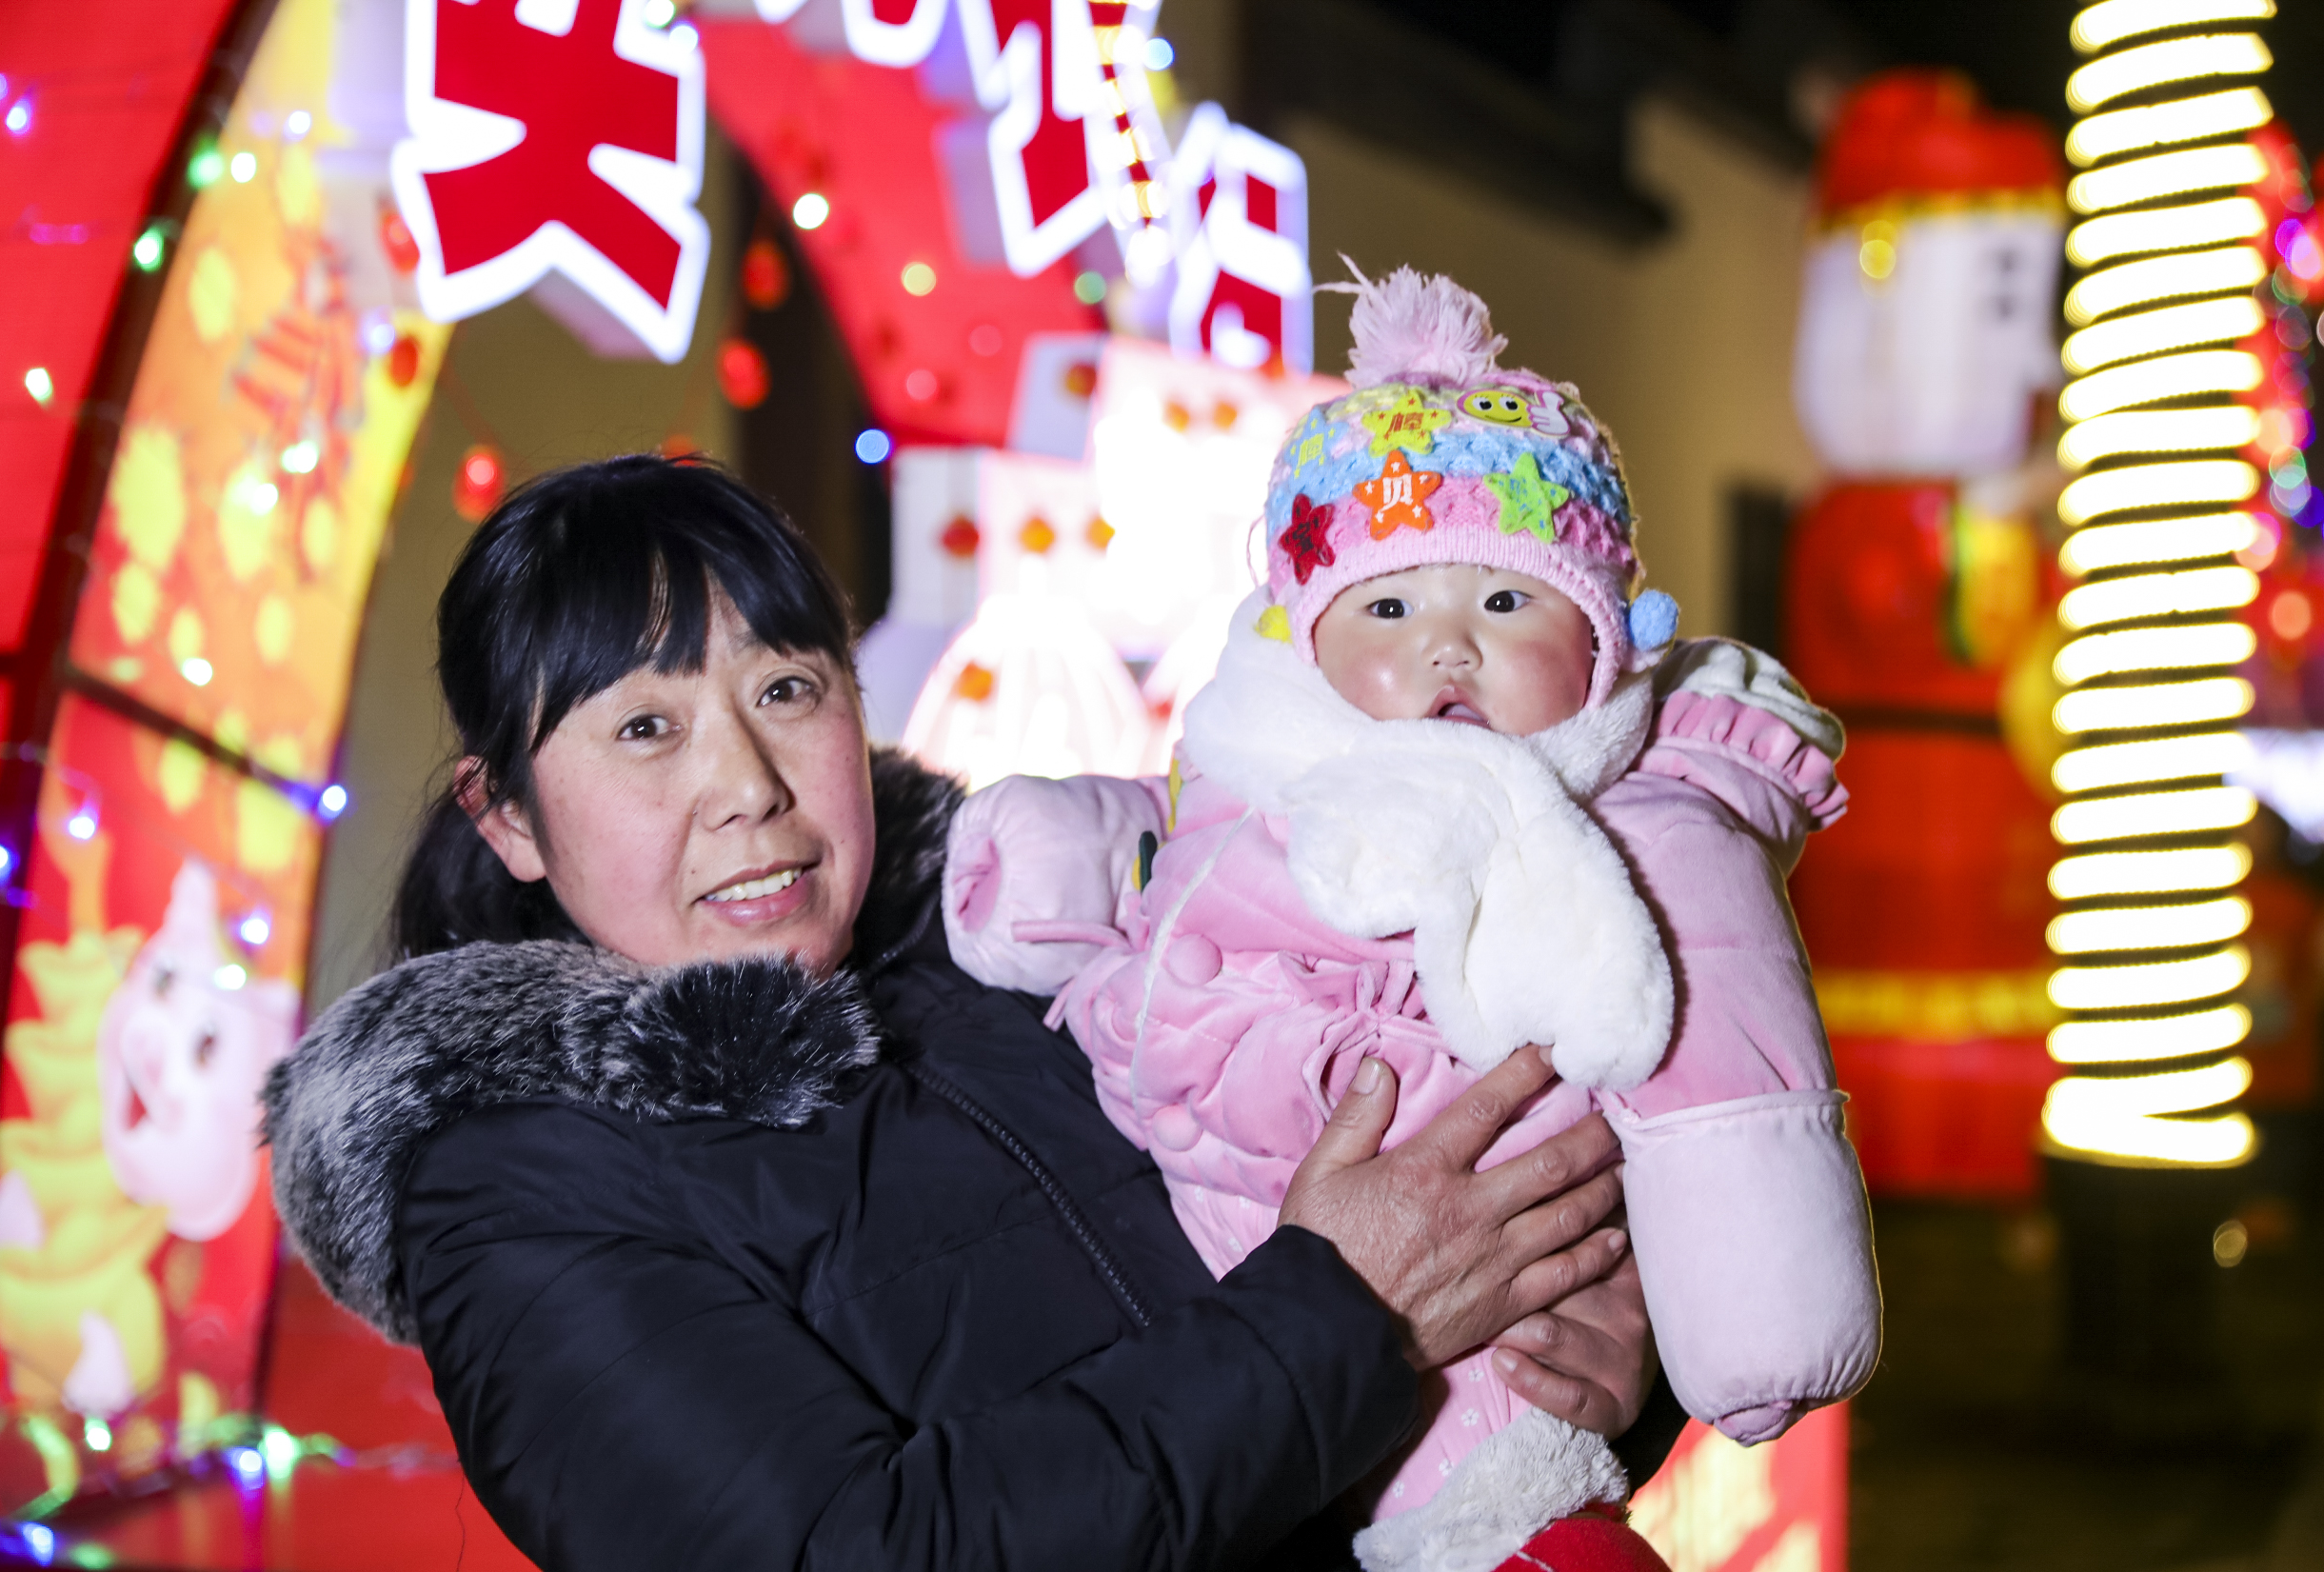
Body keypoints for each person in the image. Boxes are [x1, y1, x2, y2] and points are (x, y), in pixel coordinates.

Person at [259, 454, 1685, 1572]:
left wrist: (1613, 1353)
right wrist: (1345, 1315)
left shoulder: (1044, 947)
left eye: (786, 687)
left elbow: (1485, 1191)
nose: (748, 785)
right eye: (645, 728)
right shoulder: (512, 1187)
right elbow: (844, 1552)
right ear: (506, 816)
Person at [943, 269, 1882, 1572]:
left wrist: (1758, 1335)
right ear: (1307, 636)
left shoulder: (1645, 825)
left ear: (1602, 641)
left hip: (1470, 1325)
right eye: (1388, 607)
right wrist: (1047, 866)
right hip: (1205, 1291)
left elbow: (1731, 1103)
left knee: (1486, 1513)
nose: (1449, 649)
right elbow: (1170, 836)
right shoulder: (1260, 741)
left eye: (1506, 603)